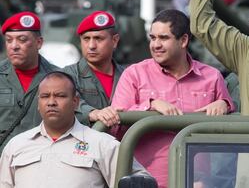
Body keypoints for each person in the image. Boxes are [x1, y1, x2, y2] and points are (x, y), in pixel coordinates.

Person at [109, 9, 235, 188]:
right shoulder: (134, 75)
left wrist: (225, 104)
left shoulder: (212, 77)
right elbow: (115, 128)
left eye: (163, 38)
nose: (155, 45)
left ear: (183, 40)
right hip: (147, 182)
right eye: (152, 38)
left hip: (197, 182)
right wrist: (149, 106)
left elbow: (229, 137)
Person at [0, 71, 149, 188]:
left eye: (60, 96)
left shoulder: (103, 144)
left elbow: (141, 181)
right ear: (38, 103)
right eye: (45, 96)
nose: (51, 102)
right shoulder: (16, 146)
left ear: (75, 102)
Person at [0, 12, 59, 153]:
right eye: (9, 40)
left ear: (39, 43)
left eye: (22, 40)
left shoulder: (57, 78)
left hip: (40, 162)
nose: (14, 46)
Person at [64, 11, 123, 127]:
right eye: (86, 39)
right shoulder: (67, 76)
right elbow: (63, 104)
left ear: (114, 41)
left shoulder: (128, 76)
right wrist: (92, 113)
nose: (91, 46)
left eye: (98, 38)